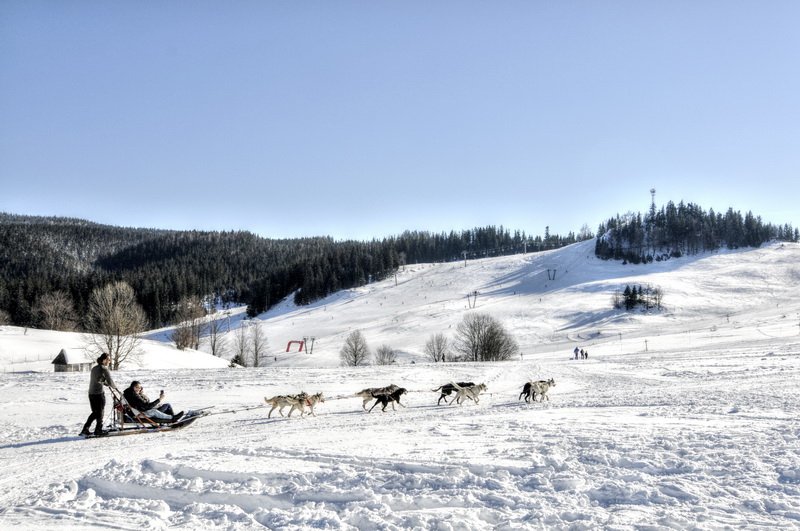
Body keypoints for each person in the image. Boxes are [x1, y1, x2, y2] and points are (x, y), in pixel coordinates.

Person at [80, 352, 119, 436]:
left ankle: (85, 429)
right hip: (98, 394)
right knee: (100, 412)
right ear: (104, 360)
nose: (109, 362)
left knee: (95, 412)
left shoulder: (94, 368)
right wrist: (115, 387)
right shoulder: (104, 369)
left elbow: (99, 379)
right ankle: (98, 430)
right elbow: (110, 380)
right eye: (108, 360)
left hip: (91, 393)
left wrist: (105, 383)